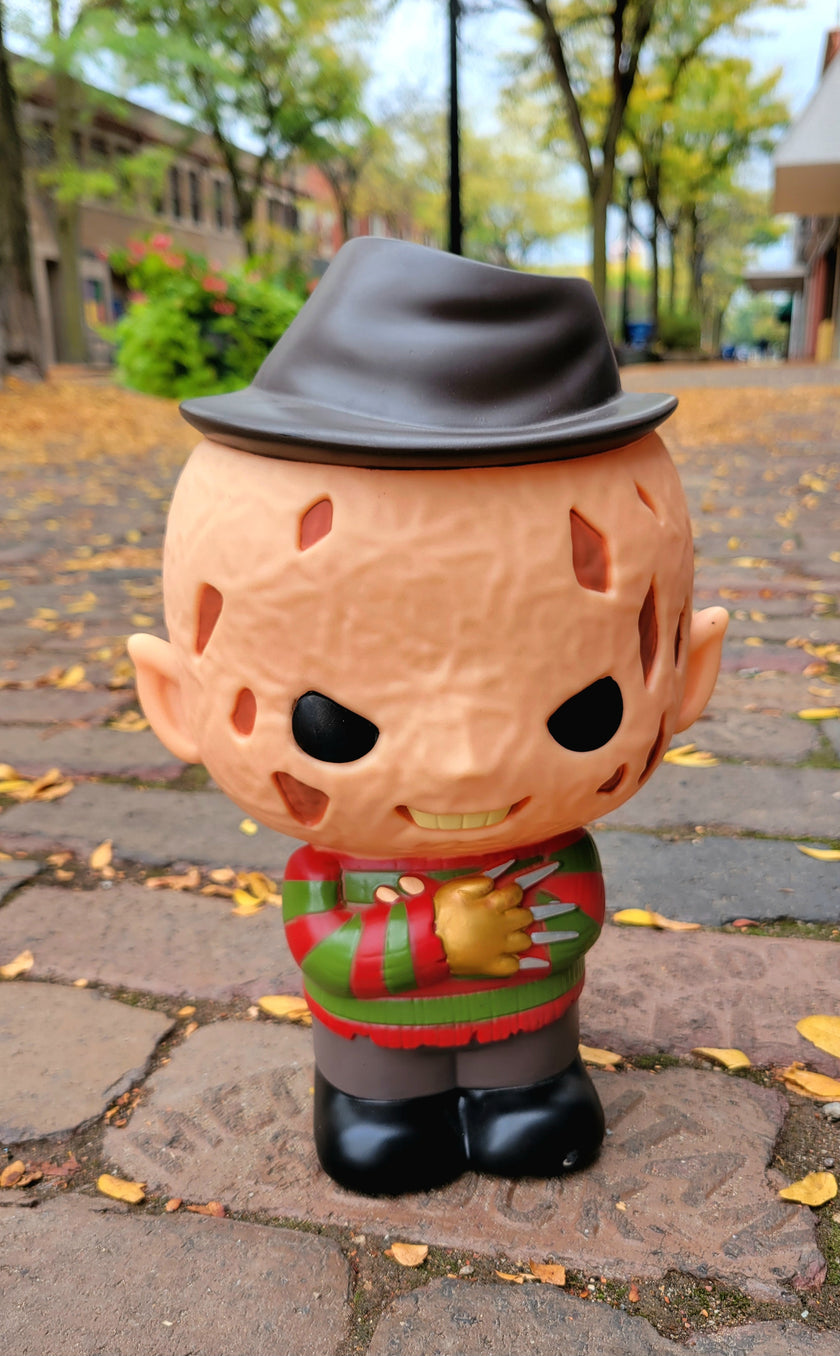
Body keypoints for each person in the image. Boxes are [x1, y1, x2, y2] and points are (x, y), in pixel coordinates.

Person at [129, 238, 727, 1197]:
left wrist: (513, 933)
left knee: (534, 1108)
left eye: (582, 713)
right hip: (376, 1043)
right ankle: (375, 1107)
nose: (463, 765)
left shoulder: (552, 850)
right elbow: (323, 944)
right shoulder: (332, 870)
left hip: (527, 1028)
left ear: (689, 676)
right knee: (383, 1130)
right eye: (336, 726)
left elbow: (576, 915)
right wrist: (437, 941)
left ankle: (527, 1093)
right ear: (174, 700)